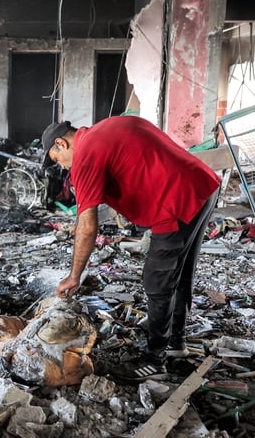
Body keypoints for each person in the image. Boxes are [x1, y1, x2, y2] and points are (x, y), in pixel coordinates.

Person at [40, 115, 220, 381]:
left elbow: (87, 225)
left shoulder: (85, 155)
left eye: (58, 160)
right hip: (202, 184)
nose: (63, 167)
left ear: (61, 144)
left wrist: (74, 275)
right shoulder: (107, 127)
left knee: (157, 281)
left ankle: (155, 361)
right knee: (180, 272)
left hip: (175, 201)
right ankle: (175, 344)